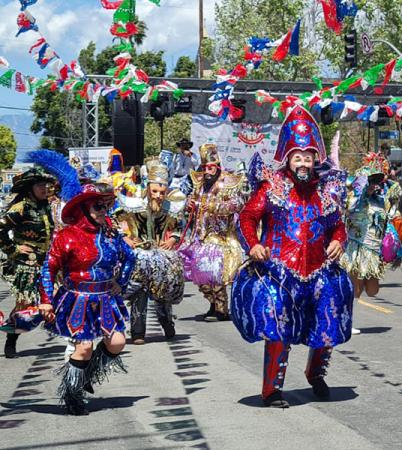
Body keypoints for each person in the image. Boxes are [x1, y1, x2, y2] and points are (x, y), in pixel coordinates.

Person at [230, 105, 353, 408]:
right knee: (278, 329)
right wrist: (254, 245)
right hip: (278, 272)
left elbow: (338, 226)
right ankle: (272, 390)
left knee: (327, 322)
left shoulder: (325, 192)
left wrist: (339, 241)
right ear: (288, 158)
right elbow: (246, 218)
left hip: (319, 272)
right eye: (298, 156)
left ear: (315, 160)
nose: (303, 162)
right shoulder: (271, 187)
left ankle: (316, 374)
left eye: (308, 157)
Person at [30, 150, 136, 415]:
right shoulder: (67, 236)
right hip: (77, 299)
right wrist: (45, 300)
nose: (103, 211)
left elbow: (130, 258)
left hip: (105, 299)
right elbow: (48, 267)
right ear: (83, 209)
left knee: (117, 343)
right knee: (85, 347)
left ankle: (86, 376)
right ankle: (72, 393)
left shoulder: (110, 235)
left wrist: (119, 284)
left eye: (105, 206)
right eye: (97, 206)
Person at [116, 161, 186, 344]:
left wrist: (172, 239)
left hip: (161, 255)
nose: (159, 196)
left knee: (163, 292)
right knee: (139, 290)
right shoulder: (134, 204)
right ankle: (138, 332)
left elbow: (179, 226)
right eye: (155, 191)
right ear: (148, 188)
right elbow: (114, 221)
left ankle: (168, 325)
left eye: (162, 193)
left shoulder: (170, 208)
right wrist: (125, 238)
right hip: (138, 254)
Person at [179, 144, 245, 322]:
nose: (207, 171)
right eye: (204, 168)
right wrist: (189, 205)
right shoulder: (200, 184)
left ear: (217, 166)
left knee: (212, 273)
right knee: (199, 276)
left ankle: (222, 309)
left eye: (210, 168)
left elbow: (237, 204)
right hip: (200, 235)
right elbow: (190, 206)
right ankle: (213, 305)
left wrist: (215, 207)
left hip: (219, 236)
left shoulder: (227, 183)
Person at [341, 153, 402, 333]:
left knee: (372, 291)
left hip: (374, 252)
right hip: (356, 249)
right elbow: (351, 209)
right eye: (371, 182)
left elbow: (389, 220)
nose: (374, 186)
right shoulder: (354, 200)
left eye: (376, 182)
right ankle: (347, 323)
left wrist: (386, 180)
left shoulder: (381, 201)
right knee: (355, 289)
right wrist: (363, 192)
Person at [0, 168, 55, 358]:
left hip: (47, 262)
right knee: (25, 304)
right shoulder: (21, 207)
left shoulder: (45, 206)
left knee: (56, 298)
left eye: (46, 185)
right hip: (26, 264)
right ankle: (10, 341)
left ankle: (73, 339)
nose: (44, 188)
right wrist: (14, 249)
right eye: (40, 185)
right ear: (30, 188)